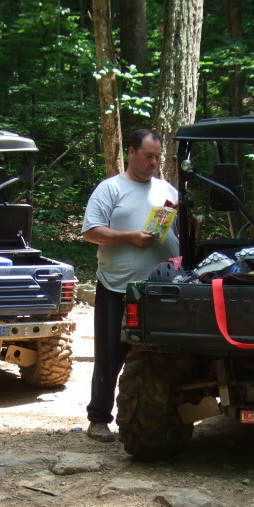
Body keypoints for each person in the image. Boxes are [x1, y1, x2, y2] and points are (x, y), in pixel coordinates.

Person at [81, 129, 179, 442]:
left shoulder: (167, 191)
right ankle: (98, 419)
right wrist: (130, 237)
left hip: (162, 290)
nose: (154, 162)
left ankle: (167, 416)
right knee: (110, 354)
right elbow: (91, 231)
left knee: (164, 354)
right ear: (132, 153)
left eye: (157, 156)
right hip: (117, 287)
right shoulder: (111, 189)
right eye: (148, 155)